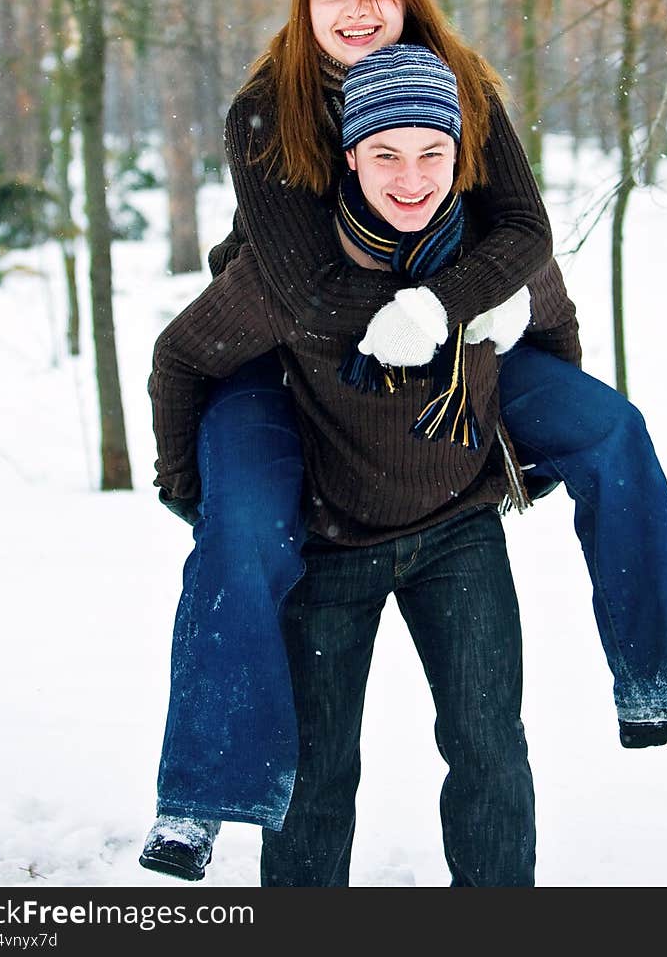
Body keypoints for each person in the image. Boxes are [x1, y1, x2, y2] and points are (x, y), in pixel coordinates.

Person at [140, 0, 667, 883]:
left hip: (458, 333)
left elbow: (525, 229)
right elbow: (309, 289)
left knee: (611, 428)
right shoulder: (267, 112)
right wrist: (442, 306)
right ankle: (203, 794)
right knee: (241, 532)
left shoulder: (462, 84)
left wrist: (474, 305)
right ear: (302, 5)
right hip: (284, 350)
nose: (358, 13)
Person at [144, 45, 538, 886]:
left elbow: (558, 333)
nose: (411, 178)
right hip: (331, 542)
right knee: (317, 780)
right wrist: (191, 493)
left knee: (489, 752)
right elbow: (181, 357)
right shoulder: (291, 274)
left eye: (433, 153)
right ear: (349, 156)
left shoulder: (492, 260)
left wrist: (527, 465)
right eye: (386, 154)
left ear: (461, 158)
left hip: (458, 536)